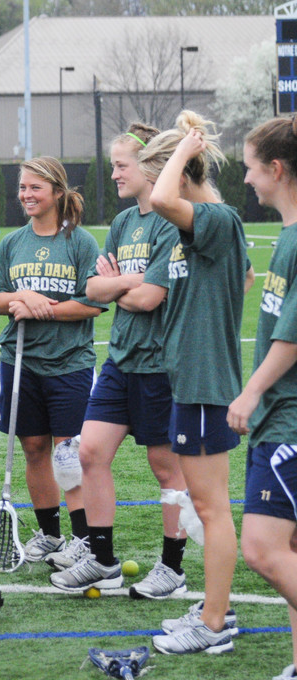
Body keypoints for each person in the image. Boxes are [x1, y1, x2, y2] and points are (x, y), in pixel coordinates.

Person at [50, 123, 189, 598]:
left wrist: (121, 284)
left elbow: (150, 297)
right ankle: (103, 559)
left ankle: (173, 566)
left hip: (159, 363)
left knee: (165, 466)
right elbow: (92, 288)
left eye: (121, 165)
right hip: (120, 358)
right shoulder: (123, 224)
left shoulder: (172, 223)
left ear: (151, 167)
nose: (113, 174)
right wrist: (126, 284)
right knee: (89, 451)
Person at [139, 111, 252, 655]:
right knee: (204, 505)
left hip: (207, 385)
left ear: (182, 174)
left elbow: (161, 199)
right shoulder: (198, 227)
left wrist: (183, 149)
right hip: (190, 381)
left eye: (161, 171)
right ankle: (215, 606)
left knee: (211, 508)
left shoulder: (218, 218)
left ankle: (213, 623)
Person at [0, 157, 105, 567]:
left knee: (68, 452)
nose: (26, 195)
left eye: (35, 187)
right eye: (22, 187)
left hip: (69, 362)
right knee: (34, 448)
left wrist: (42, 308)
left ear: (57, 192)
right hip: (19, 360)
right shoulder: (12, 243)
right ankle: (51, 535)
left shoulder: (81, 243)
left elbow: (92, 304)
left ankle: (85, 539)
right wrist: (22, 299)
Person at [228, 115, 297, 680]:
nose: (247, 180)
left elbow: (291, 338)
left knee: (263, 550)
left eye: (251, 168)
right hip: (283, 417)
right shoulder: (289, 235)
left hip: (287, 422)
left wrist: (251, 393)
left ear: (277, 169)